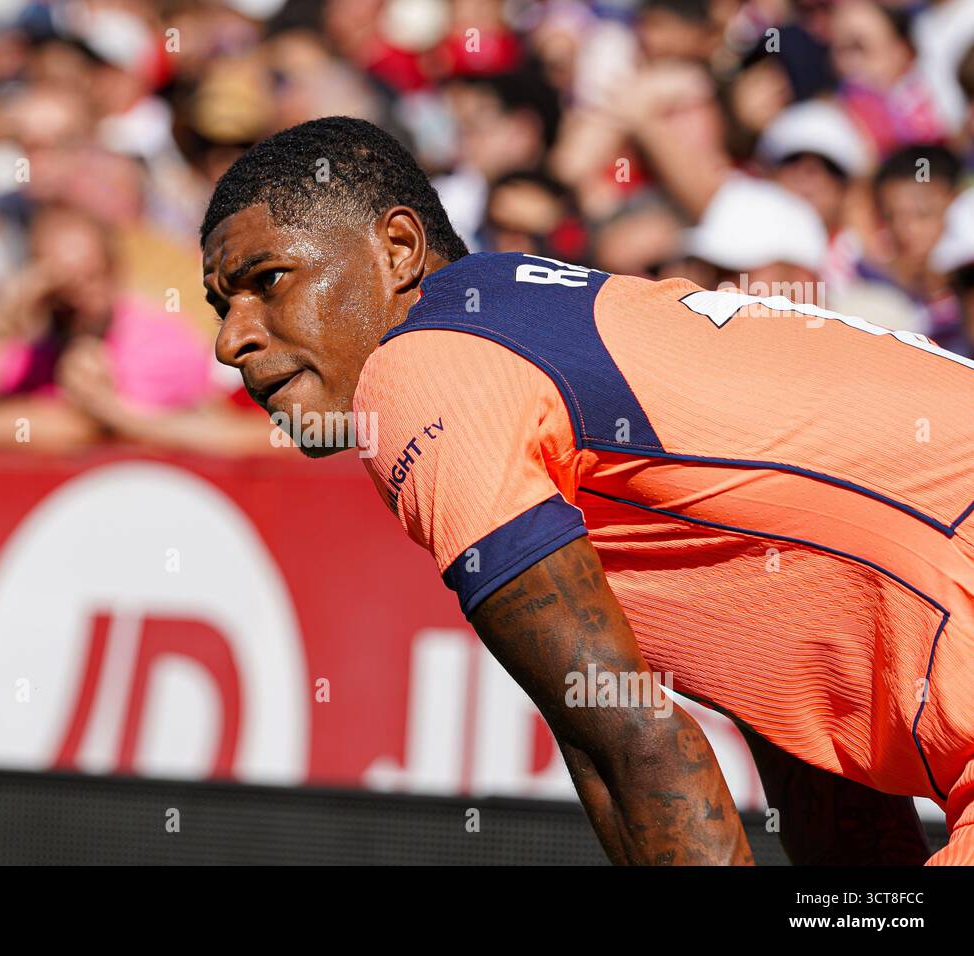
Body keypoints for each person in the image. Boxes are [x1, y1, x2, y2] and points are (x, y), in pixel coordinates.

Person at [200, 116, 974, 866]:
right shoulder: (552, 331)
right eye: (220, 305)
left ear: (398, 249)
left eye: (267, 281)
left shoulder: (425, 364)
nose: (232, 340)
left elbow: (626, 748)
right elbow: (809, 750)